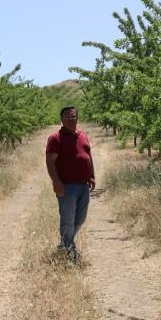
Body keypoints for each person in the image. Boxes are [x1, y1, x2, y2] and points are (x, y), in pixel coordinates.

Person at [45, 106, 95, 261]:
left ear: (77, 118)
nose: (71, 119)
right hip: (66, 186)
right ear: (61, 119)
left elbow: (88, 155)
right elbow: (50, 161)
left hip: (83, 185)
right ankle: (69, 251)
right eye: (67, 116)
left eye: (73, 116)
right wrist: (56, 182)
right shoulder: (55, 138)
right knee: (68, 219)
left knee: (80, 218)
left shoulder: (83, 135)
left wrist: (92, 175)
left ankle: (65, 242)